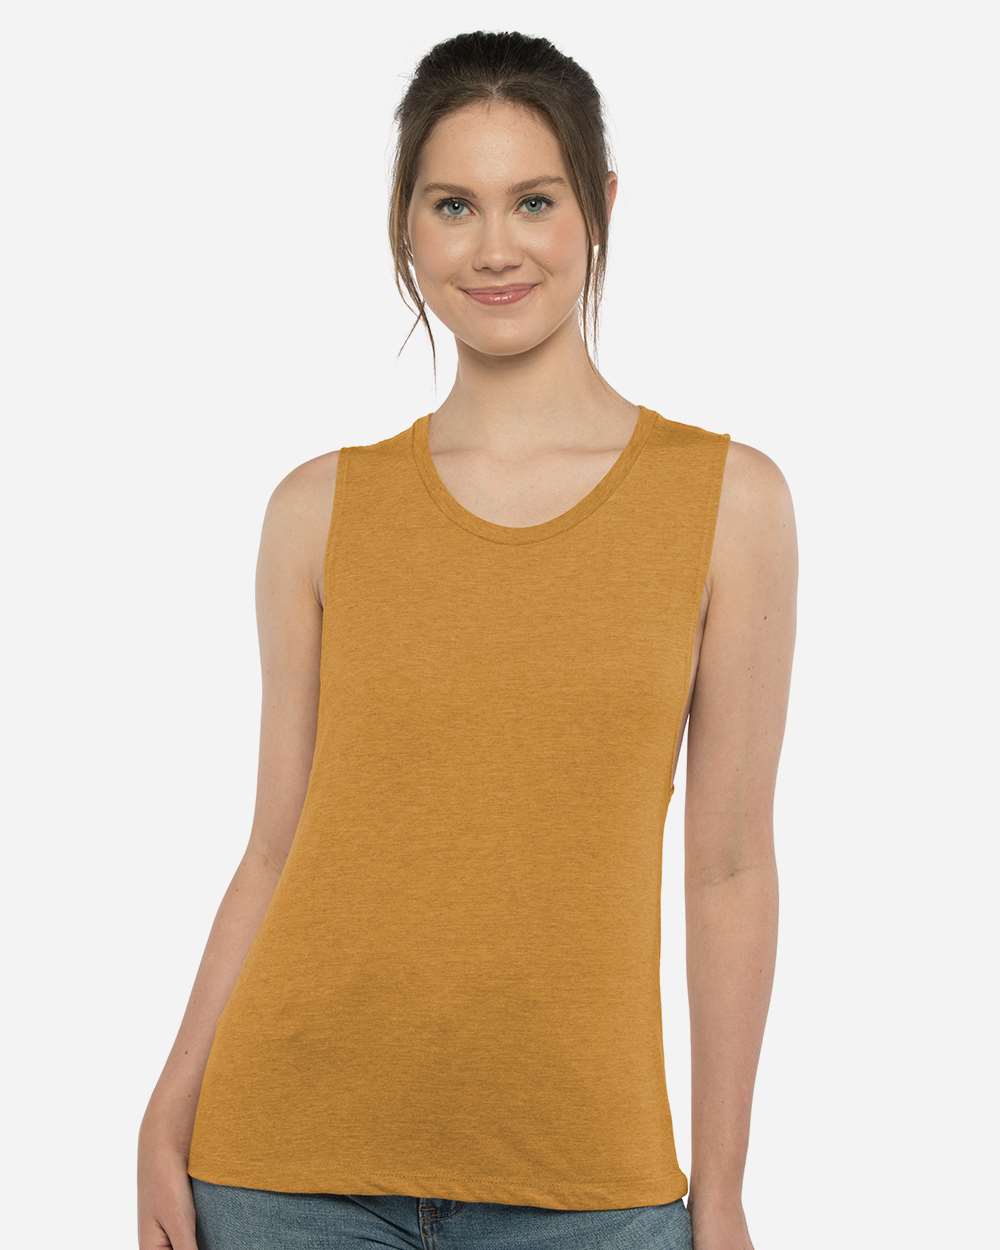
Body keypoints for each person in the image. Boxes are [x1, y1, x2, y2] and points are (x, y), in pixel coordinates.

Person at [137, 30, 796, 1250]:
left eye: (533, 200)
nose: (495, 247)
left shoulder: (727, 503)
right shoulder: (316, 510)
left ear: (599, 204)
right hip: (282, 1171)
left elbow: (729, 868)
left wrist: (721, 1193)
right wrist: (164, 1112)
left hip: (590, 1188)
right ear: (406, 226)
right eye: (453, 204)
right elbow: (274, 845)